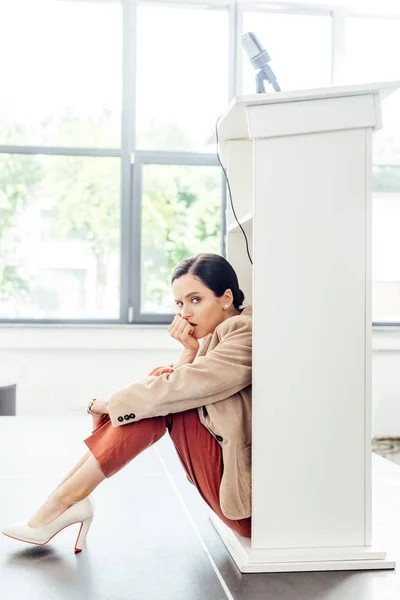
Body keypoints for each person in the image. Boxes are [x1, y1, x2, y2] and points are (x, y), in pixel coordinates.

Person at [2, 253, 252, 552]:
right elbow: (183, 385)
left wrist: (111, 403)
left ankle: (64, 502)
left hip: (250, 509)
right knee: (161, 384)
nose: (185, 313)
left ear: (225, 298)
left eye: (195, 299)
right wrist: (188, 351)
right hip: (227, 488)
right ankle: (63, 500)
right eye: (180, 304)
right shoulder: (215, 338)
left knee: (159, 392)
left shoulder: (246, 333)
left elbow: (180, 389)